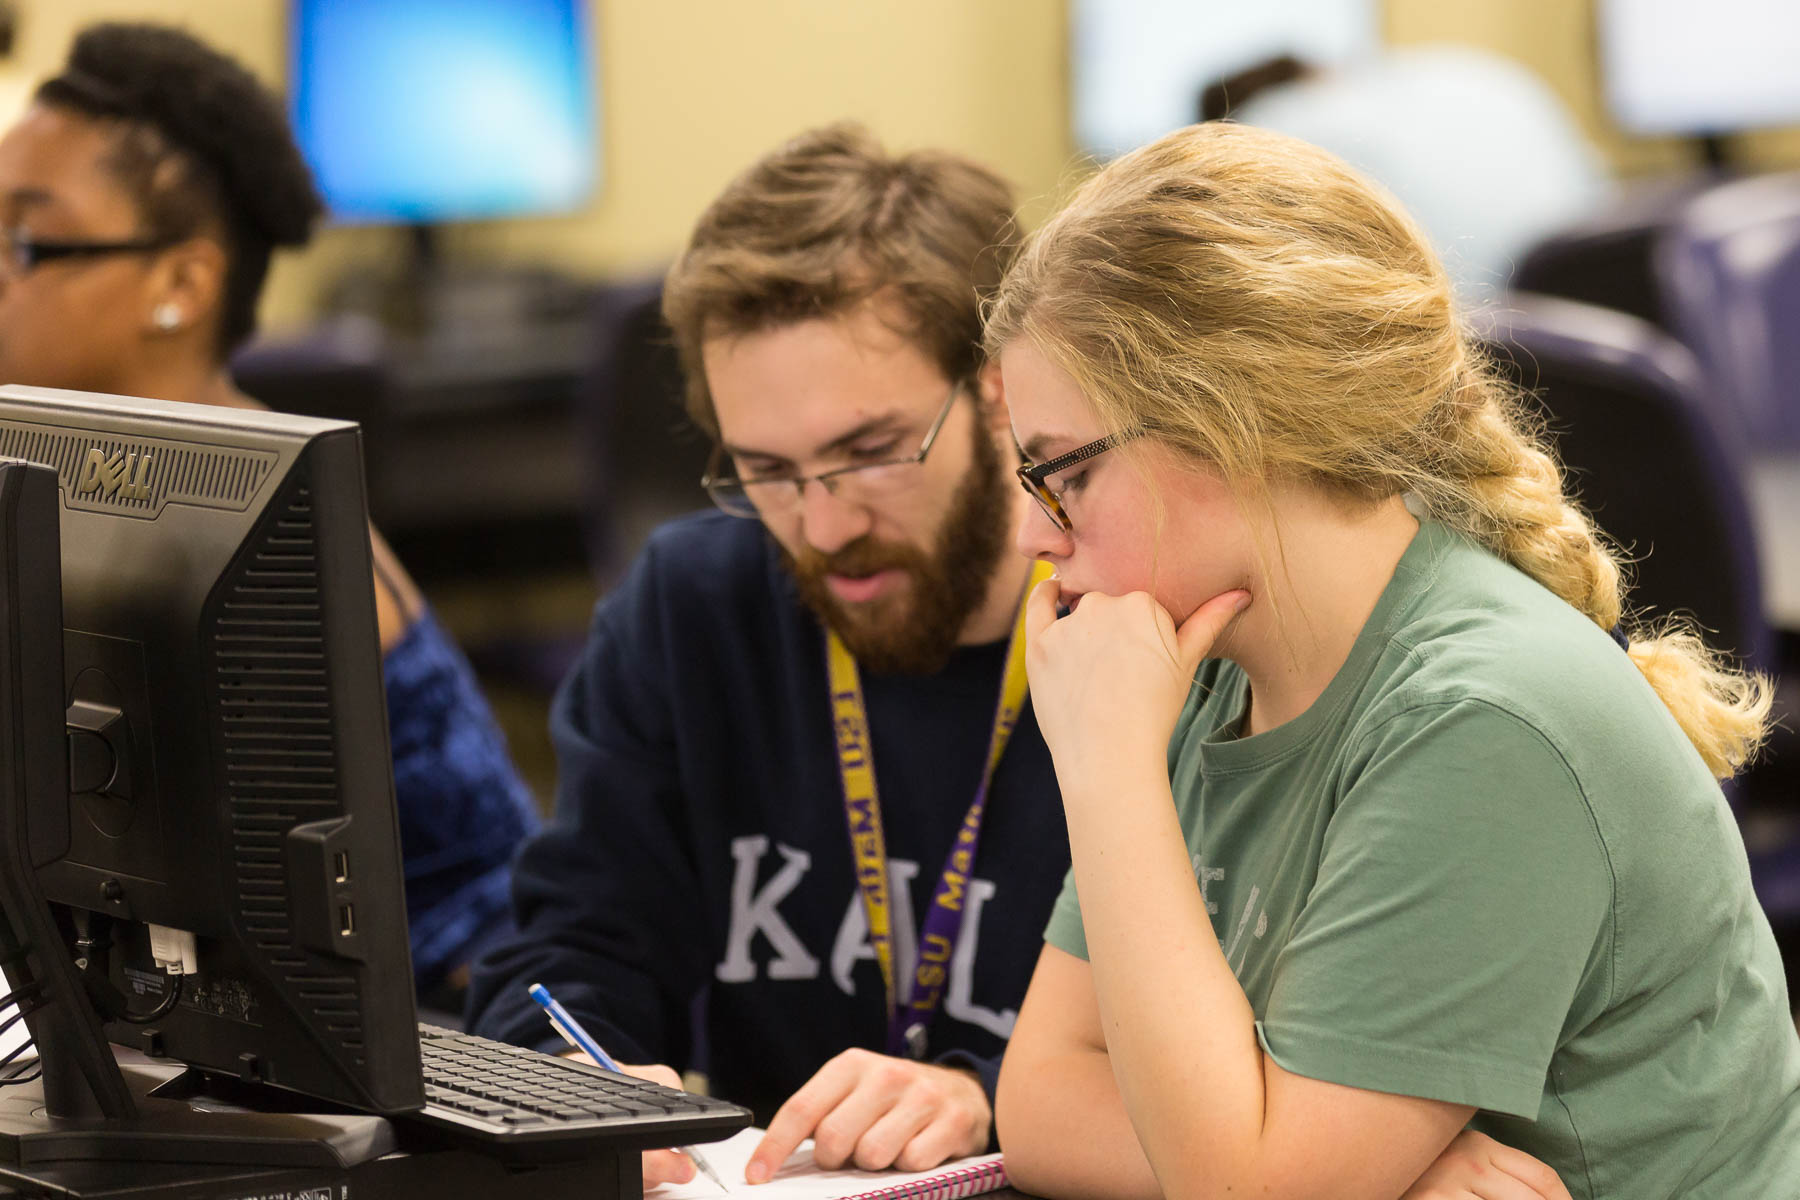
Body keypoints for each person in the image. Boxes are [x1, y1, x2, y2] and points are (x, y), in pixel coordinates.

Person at [986, 120, 1800, 1199]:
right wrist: (1347, 1174)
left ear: (1233, 427)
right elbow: (1041, 1102)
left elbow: (1243, 1192)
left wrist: (1106, 775)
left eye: (1061, 475)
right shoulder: (1196, 664)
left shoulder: (1484, 719)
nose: (1034, 538)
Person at [463, 122, 1066, 1186]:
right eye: (765, 470)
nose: (824, 526)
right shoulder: (693, 609)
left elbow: (1264, 1037)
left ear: (1001, 392)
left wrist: (989, 1093)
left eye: (870, 452)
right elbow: (565, 951)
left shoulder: (1126, 623)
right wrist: (576, 1076)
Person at [0, 22, 540, 1001]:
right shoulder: (78, 480)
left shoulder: (246, 528)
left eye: (24, 241)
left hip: (449, 1021)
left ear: (181, 282)